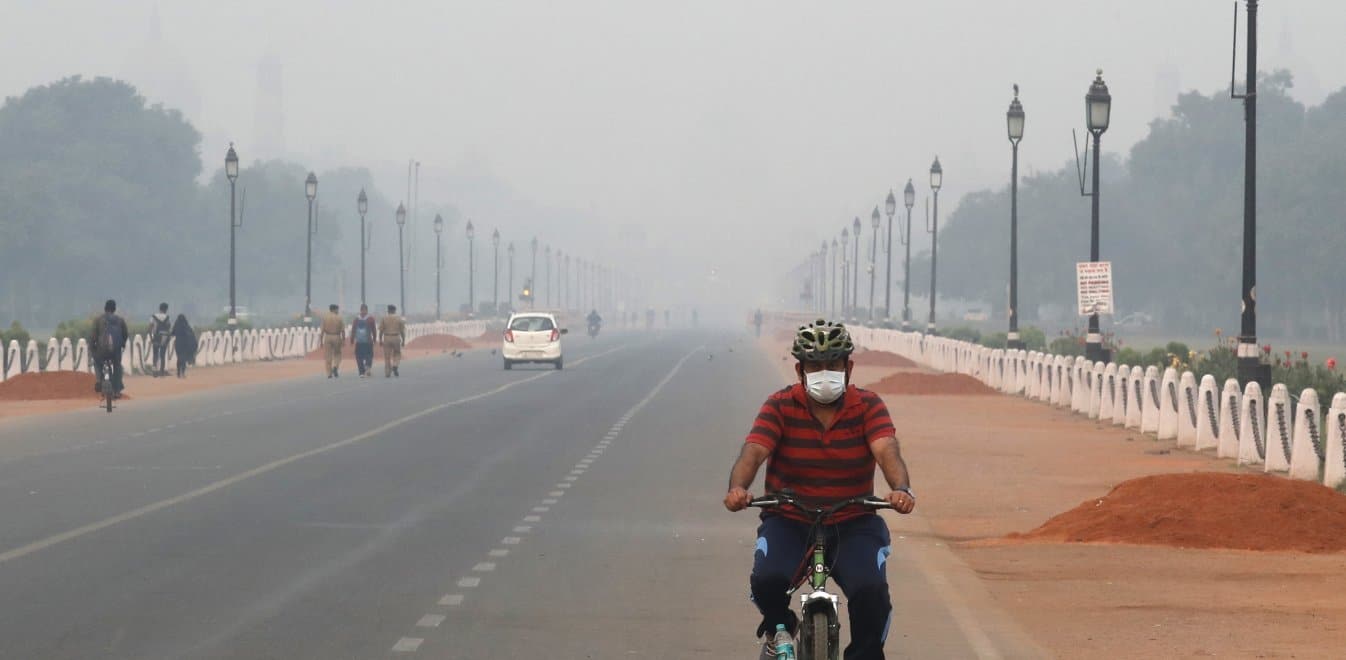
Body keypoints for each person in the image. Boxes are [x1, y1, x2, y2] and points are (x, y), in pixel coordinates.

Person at [723, 319, 915, 660]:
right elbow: (754, 451)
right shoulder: (780, 405)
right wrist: (738, 488)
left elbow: (887, 450)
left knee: (871, 591)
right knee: (767, 580)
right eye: (815, 365)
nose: (824, 372)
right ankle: (779, 627)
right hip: (789, 518)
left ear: (848, 367)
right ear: (800, 369)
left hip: (853, 520)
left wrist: (901, 489)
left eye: (833, 364)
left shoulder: (868, 406)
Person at [90, 299, 129, 396]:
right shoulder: (120, 320)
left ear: (105, 308)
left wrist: (92, 347)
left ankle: (99, 380)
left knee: (97, 362)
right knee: (117, 366)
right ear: (114, 309)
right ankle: (117, 390)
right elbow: (125, 334)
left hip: (102, 351)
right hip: (115, 351)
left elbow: (93, 336)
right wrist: (122, 344)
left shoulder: (98, 320)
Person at [378, 304, 405, 378]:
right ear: (394, 310)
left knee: (387, 357)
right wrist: (403, 340)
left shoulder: (384, 318)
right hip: (396, 337)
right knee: (397, 353)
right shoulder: (399, 319)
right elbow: (402, 331)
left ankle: (387, 373)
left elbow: (381, 330)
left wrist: (380, 339)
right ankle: (395, 365)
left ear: (388, 310)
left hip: (387, 337)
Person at [351, 304, 377, 378]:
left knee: (359, 356)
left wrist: (352, 340)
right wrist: (374, 339)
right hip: (368, 341)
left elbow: (353, 330)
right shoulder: (370, 319)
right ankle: (367, 366)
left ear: (360, 310)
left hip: (359, 342)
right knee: (369, 355)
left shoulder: (356, 319)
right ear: (367, 310)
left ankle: (361, 372)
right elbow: (374, 330)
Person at [320, 304, 345, 378]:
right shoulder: (339, 318)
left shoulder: (325, 318)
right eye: (337, 309)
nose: (338, 311)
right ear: (334, 309)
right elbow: (343, 330)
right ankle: (335, 367)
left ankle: (329, 373)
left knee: (328, 356)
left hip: (327, 337)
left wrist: (321, 341)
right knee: (337, 354)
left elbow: (322, 331)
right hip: (336, 336)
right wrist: (343, 340)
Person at [149, 302, 172, 377]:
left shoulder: (153, 316)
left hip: (156, 337)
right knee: (163, 354)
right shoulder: (167, 317)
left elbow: (150, 327)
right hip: (164, 337)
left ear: (159, 308)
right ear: (166, 309)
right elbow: (169, 328)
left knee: (155, 353)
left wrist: (151, 337)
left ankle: (154, 370)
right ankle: (162, 372)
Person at [171, 313, 196, 378]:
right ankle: (183, 373)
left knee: (179, 358)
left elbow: (172, 333)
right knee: (183, 359)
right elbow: (191, 334)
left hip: (178, 344)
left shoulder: (176, 326)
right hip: (185, 344)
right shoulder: (186, 326)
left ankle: (178, 373)